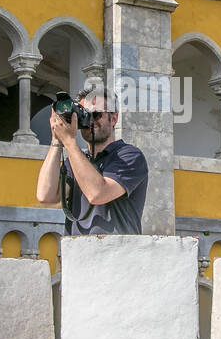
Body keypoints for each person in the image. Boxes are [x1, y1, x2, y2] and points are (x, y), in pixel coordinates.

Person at [36, 87, 148, 235]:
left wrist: (69, 141)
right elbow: (45, 195)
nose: (89, 121)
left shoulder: (130, 156)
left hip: (119, 253)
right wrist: (56, 140)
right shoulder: (74, 161)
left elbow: (97, 194)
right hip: (79, 253)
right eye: (84, 115)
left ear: (113, 118)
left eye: (96, 114)